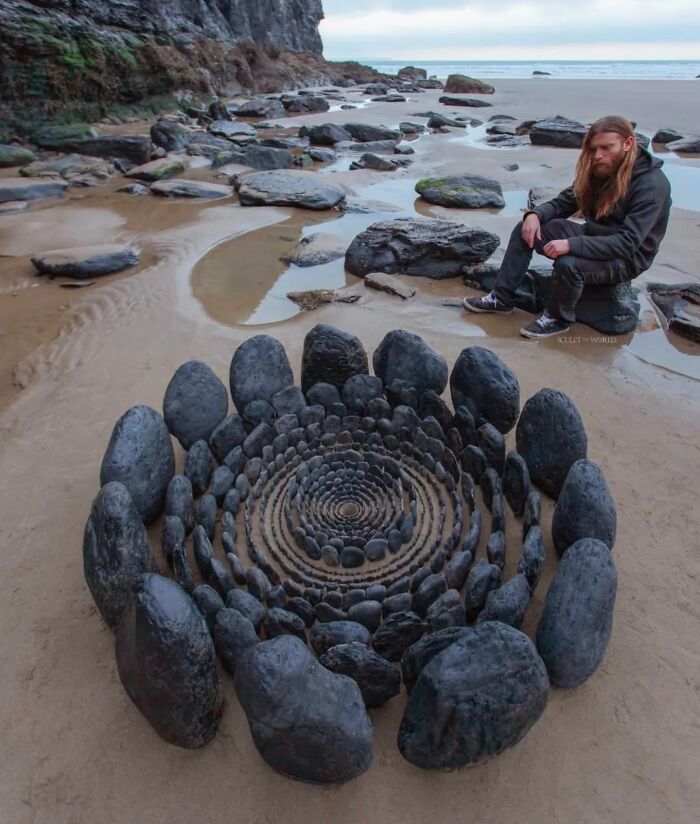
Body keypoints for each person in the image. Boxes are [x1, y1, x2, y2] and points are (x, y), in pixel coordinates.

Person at [463, 115, 672, 339]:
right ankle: (501, 298)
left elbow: (627, 243)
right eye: (593, 149)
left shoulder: (651, 186)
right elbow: (564, 203)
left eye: (606, 148)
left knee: (568, 264)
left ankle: (557, 318)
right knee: (526, 229)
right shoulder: (600, 169)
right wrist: (535, 215)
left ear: (628, 144)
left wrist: (571, 245)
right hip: (594, 238)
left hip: (627, 258)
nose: (598, 155)